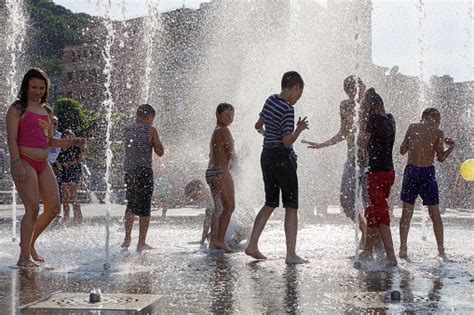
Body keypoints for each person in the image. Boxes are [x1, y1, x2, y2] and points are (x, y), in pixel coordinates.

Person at [6, 68, 85, 267]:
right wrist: (16, 164)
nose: (38, 91)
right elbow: (11, 139)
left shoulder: (47, 111)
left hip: (43, 163)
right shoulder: (17, 109)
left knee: (53, 208)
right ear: (26, 86)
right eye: (34, 87)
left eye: (42, 88)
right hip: (24, 161)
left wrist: (72, 142)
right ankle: (23, 258)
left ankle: (30, 244)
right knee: (32, 207)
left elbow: (49, 141)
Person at [245, 71, 309, 264]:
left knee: (270, 202)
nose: (298, 98)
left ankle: (252, 244)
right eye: (299, 93)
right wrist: (299, 129)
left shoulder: (270, 100)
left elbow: (258, 125)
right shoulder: (288, 109)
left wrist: (268, 135)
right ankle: (291, 254)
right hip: (282, 158)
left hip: (266, 156)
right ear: (295, 87)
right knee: (291, 206)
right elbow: (287, 142)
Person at [302, 75, 368, 241]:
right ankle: (364, 229)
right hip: (352, 161)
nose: (354, 94)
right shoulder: (345, 105)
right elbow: (344, 133)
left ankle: (371, 239)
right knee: (346, 201)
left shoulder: (371, 103)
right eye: (350, 91)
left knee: (370, 203)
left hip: (370, 163)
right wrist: (321, 144)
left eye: (358, 89)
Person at [399, 107, 455, 260]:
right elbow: (441, 158)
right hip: (427, 173)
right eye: (439, 120)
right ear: (435, 118)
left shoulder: (412, 127)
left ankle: (403, 248)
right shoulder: (438, 132)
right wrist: (451, 146)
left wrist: (411, 145)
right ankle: (441, 250)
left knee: (406, 212)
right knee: (435, 214)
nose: (438, 123)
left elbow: (402, 150)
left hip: (411, 171)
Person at [357, 88, 397, 265]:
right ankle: (367, 251)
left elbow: (361, 143)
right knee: (372, 212)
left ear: (369, 106)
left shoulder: (371, 121)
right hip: (389, 172)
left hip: (376, 173)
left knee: (381, 214)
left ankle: (392, 257)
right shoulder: (390, 119)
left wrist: (362, 124)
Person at [121, 104, 164, 252]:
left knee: (131, 204)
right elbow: (160, 152)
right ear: (149, 117)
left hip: (129, 171)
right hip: (144, 171)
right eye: (152, 118)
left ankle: (127, 239)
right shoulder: (150, 130)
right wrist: (155, 142)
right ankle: (141, 242)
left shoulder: (127, 129)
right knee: (145, 207)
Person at [205, 102, 235, 253]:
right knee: (230, 207)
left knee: (218, 208)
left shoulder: (215, 131)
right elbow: (232, 154)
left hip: (211, 172)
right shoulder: (224, 130)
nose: (230, 118)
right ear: (217, 115)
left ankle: (213, 241)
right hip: (221, 173)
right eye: (227, 114)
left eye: (232, 115)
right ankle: (220, 240)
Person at [57, 129, 84, 225]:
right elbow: (58, 160)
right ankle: (66, 218)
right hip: (64, 173)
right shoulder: (61, 148)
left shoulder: (76, 147)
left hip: (74, 172)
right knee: (65, 197)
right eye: (64, 136)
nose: (66, 138)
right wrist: (60, 165)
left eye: (68, 136)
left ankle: (78, 217)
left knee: (73, 195)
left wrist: (71, 163)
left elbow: (81, 159)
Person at [184, 179, 213, 245]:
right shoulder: (210, 202)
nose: (194, 200)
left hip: (237, 229)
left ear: (200, 189)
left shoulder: (214, 194)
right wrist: (202, 241)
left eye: (194, 196)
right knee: (210, 237)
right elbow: (207, 222)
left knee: (213, 237)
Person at [48, 116, 62, 203]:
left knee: (57, 188)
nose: (53, 125)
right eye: (51, 123)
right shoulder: (43, 134)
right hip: (44, 164)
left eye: (55, 124)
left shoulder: (60, 136)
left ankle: (57, 211)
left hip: (55, 165)